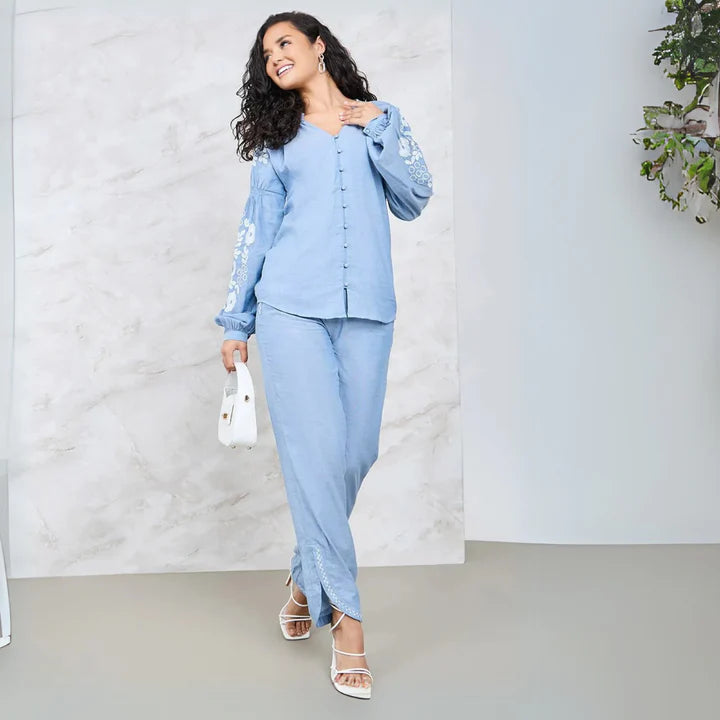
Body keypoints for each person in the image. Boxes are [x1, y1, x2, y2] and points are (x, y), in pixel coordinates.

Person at [214, 11, 433, 700]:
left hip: (368, 311)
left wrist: (385, 127)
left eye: (285, 43)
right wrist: (237, 321)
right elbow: (256, 232)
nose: (275, 57)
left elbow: (416, 199)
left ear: (318, 45)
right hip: (289, 313)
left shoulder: (379, 121)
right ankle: (348, 622)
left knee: (353, 453)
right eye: (265, 53)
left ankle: (304, 576)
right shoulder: (278, 145)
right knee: (313, 457)